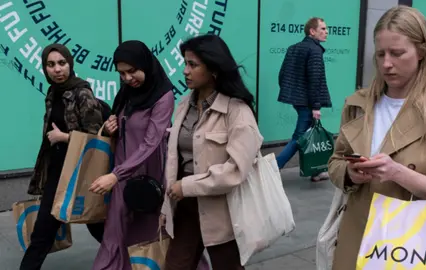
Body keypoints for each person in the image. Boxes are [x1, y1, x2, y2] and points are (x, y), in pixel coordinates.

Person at [327, 6, 426, 269]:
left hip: (415, 245)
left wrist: (398, 173)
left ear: (421, 52)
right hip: (357, 236)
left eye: (397, 53)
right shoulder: (358, 103)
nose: (386, 63)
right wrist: (351, 173)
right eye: (381, 54)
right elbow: (335, 162)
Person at [160, 34, 263, 270]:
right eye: (185, 63)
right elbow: (175, 159)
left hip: (223, 213)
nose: (185, 71)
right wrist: (168, 204)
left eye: (193, 65)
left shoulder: (237, 111)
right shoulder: (185, 104)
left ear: (214, 69)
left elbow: (236, 171)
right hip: (185, 207)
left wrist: (186, 186)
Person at [89, 40, 175, 270]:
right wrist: (110, 127)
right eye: (122, 73)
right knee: (115, 231)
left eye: (132, 71)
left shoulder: (163, 96)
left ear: (145, 65)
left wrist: (116, 175)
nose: (127, 78)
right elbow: (124, 128)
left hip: (149, 175)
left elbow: (150, 143)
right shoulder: (127, 94)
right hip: (122, 172)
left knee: (152, 233)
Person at [20, 44, 105, 270]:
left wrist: (64, 137)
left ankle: (127, 259)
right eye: (51, 64)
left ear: (70, 64)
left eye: (61, 63)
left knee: (97, 225)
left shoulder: (83, 92)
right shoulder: (53, 92)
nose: (57, 69)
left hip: (81, 171)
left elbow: (95, 138)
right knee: (43, 230)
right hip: (58, 171)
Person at [276, 17, 332, 182]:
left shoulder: (294, 48)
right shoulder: (314, 51)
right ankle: (274, 167)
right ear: (312, 31)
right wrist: (315, 106)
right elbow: (315, 80)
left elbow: (282, 76)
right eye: (322, 28)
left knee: (309, 135)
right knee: (300, 138)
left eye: (326, 28)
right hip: (308, 102)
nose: (326, 31)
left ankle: (316, 171)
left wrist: (294, 94)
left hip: (299, 100)